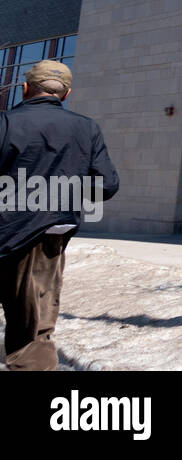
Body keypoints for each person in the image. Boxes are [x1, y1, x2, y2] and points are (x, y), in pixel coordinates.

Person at [0, 60, 118, 370]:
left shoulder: (5, 123)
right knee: (33, 333)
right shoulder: (87, 128)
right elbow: (106, 186)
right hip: (46, 243)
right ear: (65, 95)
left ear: (26, 89)